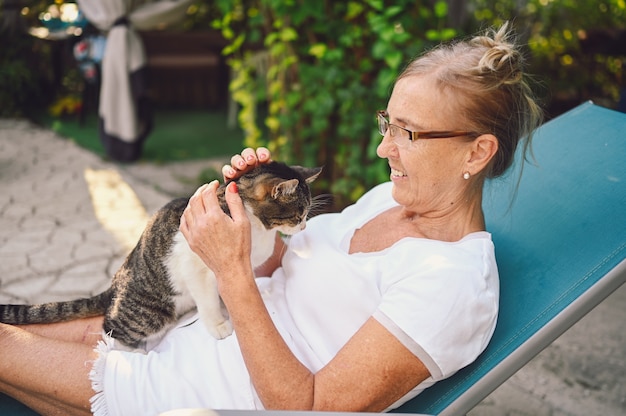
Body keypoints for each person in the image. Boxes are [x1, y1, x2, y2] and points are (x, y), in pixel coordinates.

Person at [0, 22, 542, 416]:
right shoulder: (389, 199)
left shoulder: (449, 284)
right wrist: (253, 214)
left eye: (409, 133)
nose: (384, 149)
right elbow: (289, 261)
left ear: (477, 153)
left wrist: (231, 271)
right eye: (388, 123)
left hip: (203, 392)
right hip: (192, 329)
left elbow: (308, 408)